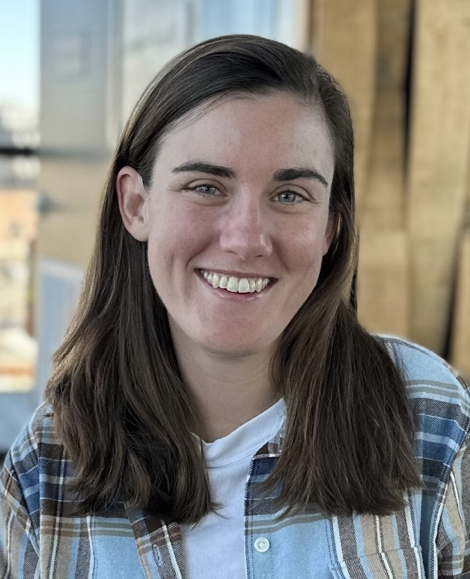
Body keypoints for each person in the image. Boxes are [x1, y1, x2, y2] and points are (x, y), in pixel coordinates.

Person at [1, 34, 469, 579]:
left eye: (290, 195)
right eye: (205, 187)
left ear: (330, 228)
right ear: (136, 204)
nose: (247, 239)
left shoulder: (433, 418)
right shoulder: (48, 464)